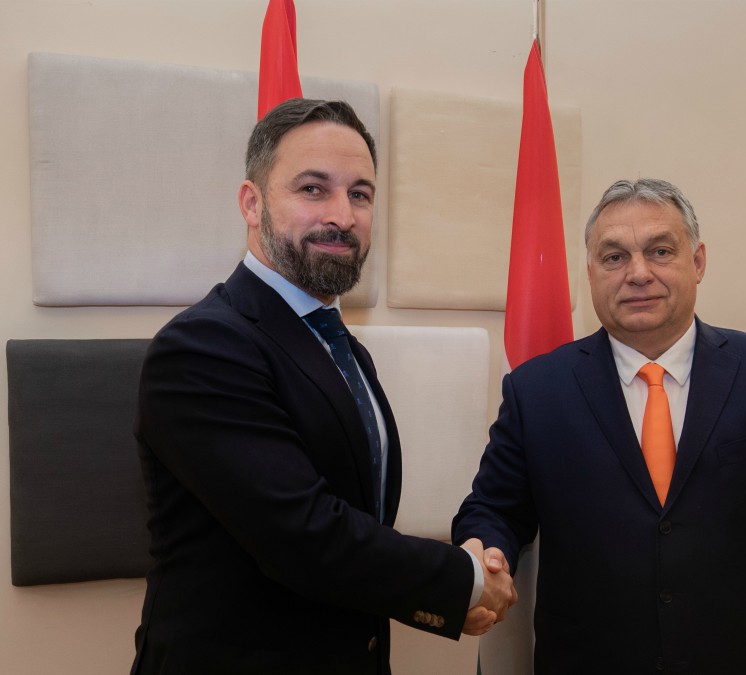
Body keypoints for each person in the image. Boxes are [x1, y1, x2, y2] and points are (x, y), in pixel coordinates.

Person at [130, 98, 515, 675]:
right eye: (313, 189)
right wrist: (463, 582)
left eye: (360, 194)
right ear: (252, 203)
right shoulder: (204, 347)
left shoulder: (338, 343)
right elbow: (303, 536)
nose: (342, 215)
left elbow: (356, 519)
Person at [453, 178, 746, 673]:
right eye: (614, 257)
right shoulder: (537, 391)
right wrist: (485, 553)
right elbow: (495, 508)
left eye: (660, 251)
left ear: (698, 262)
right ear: (590, 273)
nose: (638, 274)